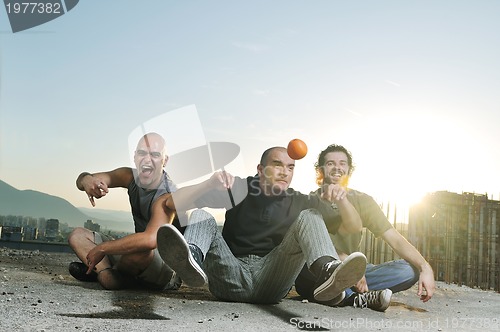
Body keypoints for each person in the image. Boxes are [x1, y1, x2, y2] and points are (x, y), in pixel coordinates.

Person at [156, 146, 367, 305]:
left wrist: (342, 200)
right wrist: (208, 184)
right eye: (277, 165)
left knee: (311, 215)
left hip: (272, 279)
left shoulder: (300, 201)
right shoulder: (237, 188)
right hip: (230, 275)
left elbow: (353, 226)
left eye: (290, 167)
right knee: (202, 215)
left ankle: (327, 272)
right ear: (260, 169)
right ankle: (191, 259)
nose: (285, 172)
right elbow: (171, 203)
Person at [294, 144, 436, 311]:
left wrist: (425, 267)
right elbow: (305, 249)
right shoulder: (307, 202)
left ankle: (344, 294)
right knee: (303, 270)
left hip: (354, 273)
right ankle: (351, 295)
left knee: (409, 270)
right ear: (321, 170)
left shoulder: (364, 201)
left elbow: (395, 239)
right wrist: (346, 264)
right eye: (331, 163)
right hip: (317, 272)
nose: (337, 167)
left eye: (342, 163)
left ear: (349, 170)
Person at [67, 132, 181, 291]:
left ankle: (103, 274)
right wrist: (87, 180)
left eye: (155, 154)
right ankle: (108, 275)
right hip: (133, 257)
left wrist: (103, 248)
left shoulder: (168, 193)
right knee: (77, 235)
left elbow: (150, 240)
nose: (147, 159)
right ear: (135, 156)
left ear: (165, 160)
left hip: (165, 267)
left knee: (141, 250)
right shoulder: (129, 176)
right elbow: (84, 179)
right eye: (142, 153)